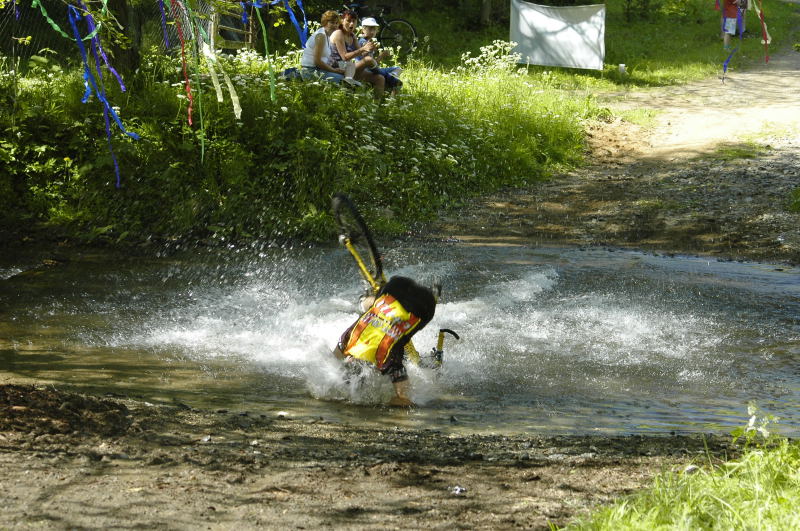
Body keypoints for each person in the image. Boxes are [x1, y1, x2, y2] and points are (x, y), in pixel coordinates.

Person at [333, 276, 438, 407]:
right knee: (377, 305)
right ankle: (364, 301)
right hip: (395, 285)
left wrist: (392, 402)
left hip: (423, 305)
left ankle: (433, 294)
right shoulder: (347, 340)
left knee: (401, 334)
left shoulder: (386, 357)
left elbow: (404, 399)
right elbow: (333, 361)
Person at [329, 10, 386, 99]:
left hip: (348, 68)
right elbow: (344, 56)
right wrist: (363, 48)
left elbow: (361, 54)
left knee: (380, 78)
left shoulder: (352, 36)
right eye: (348, 21)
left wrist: (370, 50)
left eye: (354, 21)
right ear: (342, 20)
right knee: (368, 60)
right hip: (337, 68)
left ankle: (377, 107)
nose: (351, 24)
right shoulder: (338, 33)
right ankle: (388, 75)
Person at [300, 10, 355, 85]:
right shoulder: (321, 36)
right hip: (310, 71)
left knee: (349, 66)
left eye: (336, 23)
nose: (335, 25)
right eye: (332, 22)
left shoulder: (328, 36)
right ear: (325, 23)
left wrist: (337, 67)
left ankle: (352, 82)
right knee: (342, 80)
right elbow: (317, 62)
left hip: (319, 69)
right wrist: (334, 70)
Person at [357, 17, 403, 95]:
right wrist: (381, 56)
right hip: (366, 70)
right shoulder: (363, 42)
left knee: (398, 68)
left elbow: (374, 63)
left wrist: (380, 55)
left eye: (374, 29)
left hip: (372, 68)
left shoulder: (370, 42)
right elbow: (369, 63)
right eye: (370, 29)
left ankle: (392, 79)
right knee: (395, 81)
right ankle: (391, 80)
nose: (372, 32)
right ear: (363, 30)